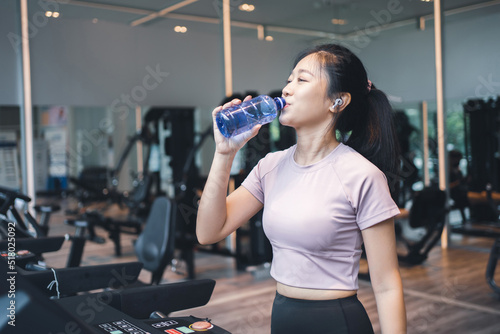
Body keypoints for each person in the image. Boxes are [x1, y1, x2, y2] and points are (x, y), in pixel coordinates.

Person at [196, 44, 407, 334]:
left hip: (338, 321)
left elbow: (386, 285)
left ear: (337, 101)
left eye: (302, 80)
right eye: (289, 79)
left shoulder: (361, 175)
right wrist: (223, 155)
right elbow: (209, 232)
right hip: (282, 317)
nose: (286, 89)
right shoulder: (270, 166)